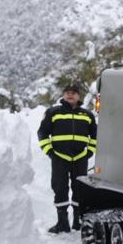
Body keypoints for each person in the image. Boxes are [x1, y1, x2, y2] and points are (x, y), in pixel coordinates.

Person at [37, 83, 97, 234]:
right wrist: (50, 152)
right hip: (59, 158)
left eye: (74, 93)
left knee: (79, 190)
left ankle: (78, 222)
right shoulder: (53, 112)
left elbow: (95, 136)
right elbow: (42, 133)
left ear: (79, 96)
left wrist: (89, 152)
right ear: (63, 95)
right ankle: (62, 223)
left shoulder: (87, 115)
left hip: (80, 158)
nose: (70, 95)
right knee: (60, 188)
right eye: (67, 92)